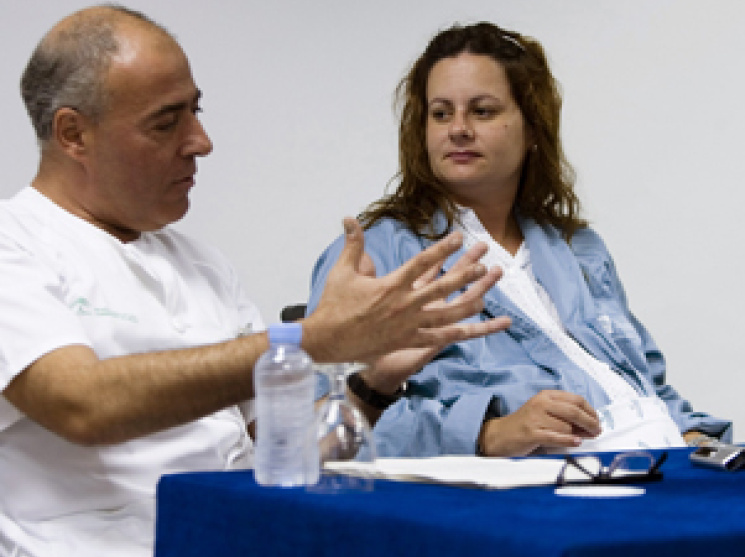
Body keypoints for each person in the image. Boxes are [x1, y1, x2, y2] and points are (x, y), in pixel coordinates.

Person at [0, 6, 510, 557]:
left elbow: (288, 453)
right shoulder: (16, 243)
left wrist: (373, 382)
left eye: (195, 112)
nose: (201, 141)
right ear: (73, 134)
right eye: (166, 123)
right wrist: (314, 340)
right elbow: (81, 404)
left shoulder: (203, 265)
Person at [308, 22, 731, 458]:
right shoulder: (377, 255)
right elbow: (322, 428)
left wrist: (697, 441)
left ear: (532, 129)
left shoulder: (579, 247)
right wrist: (487, 435)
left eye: (482, 111)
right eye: (441, 114)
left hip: (661, 459)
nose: (458, 129)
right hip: (551, 476)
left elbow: (649, 385)